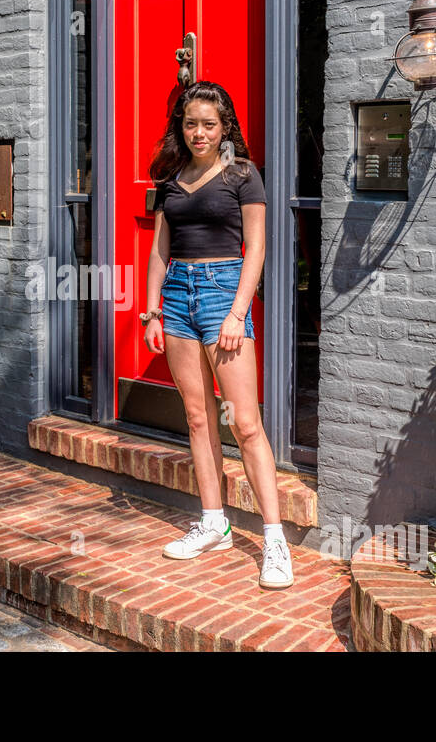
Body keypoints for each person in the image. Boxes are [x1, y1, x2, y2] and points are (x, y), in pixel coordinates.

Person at [140, 80, 293, 590]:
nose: (199, 132)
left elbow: (256, 250)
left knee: (246, 424)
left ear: (224, 126)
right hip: (178, 295)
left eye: (209, 123)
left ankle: (274, 538)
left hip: (224, 291)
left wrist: (236, 312)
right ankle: (214, 522)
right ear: (179, 128)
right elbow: (161, 250)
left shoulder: (244, 176)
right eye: (190, 123)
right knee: (198, 417)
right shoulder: (170, 179)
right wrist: (151, 311)